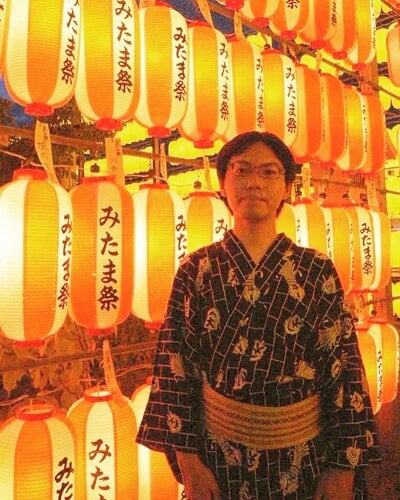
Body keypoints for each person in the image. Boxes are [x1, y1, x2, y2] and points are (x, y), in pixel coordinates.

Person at [136, 131, 381, 499]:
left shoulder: (316, 270)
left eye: (269, 172)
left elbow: (345, 371)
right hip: (219, 462)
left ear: (287, 187)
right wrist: (191, 466)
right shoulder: (196, 271)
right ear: (223, 182)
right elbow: (174, 372)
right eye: (241, 170)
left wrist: (341, 468)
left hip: (306, 461)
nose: (254, 182)